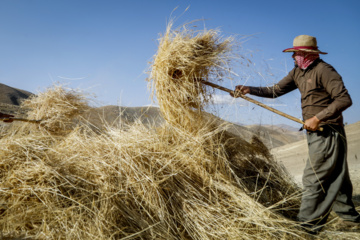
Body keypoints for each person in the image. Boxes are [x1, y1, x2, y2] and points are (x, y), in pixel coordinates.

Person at [231, 35, 360, 233]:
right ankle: (349, 218)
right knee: (336, 175)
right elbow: (274, 90)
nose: (293, 57)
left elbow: (344, 99)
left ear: (308, 54)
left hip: (327, 131)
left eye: (296, 53)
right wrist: (249, 89)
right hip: (316, 134)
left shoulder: (324, 71)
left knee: (313, 177)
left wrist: (317, 118)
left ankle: (306, 226)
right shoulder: (298, 72)